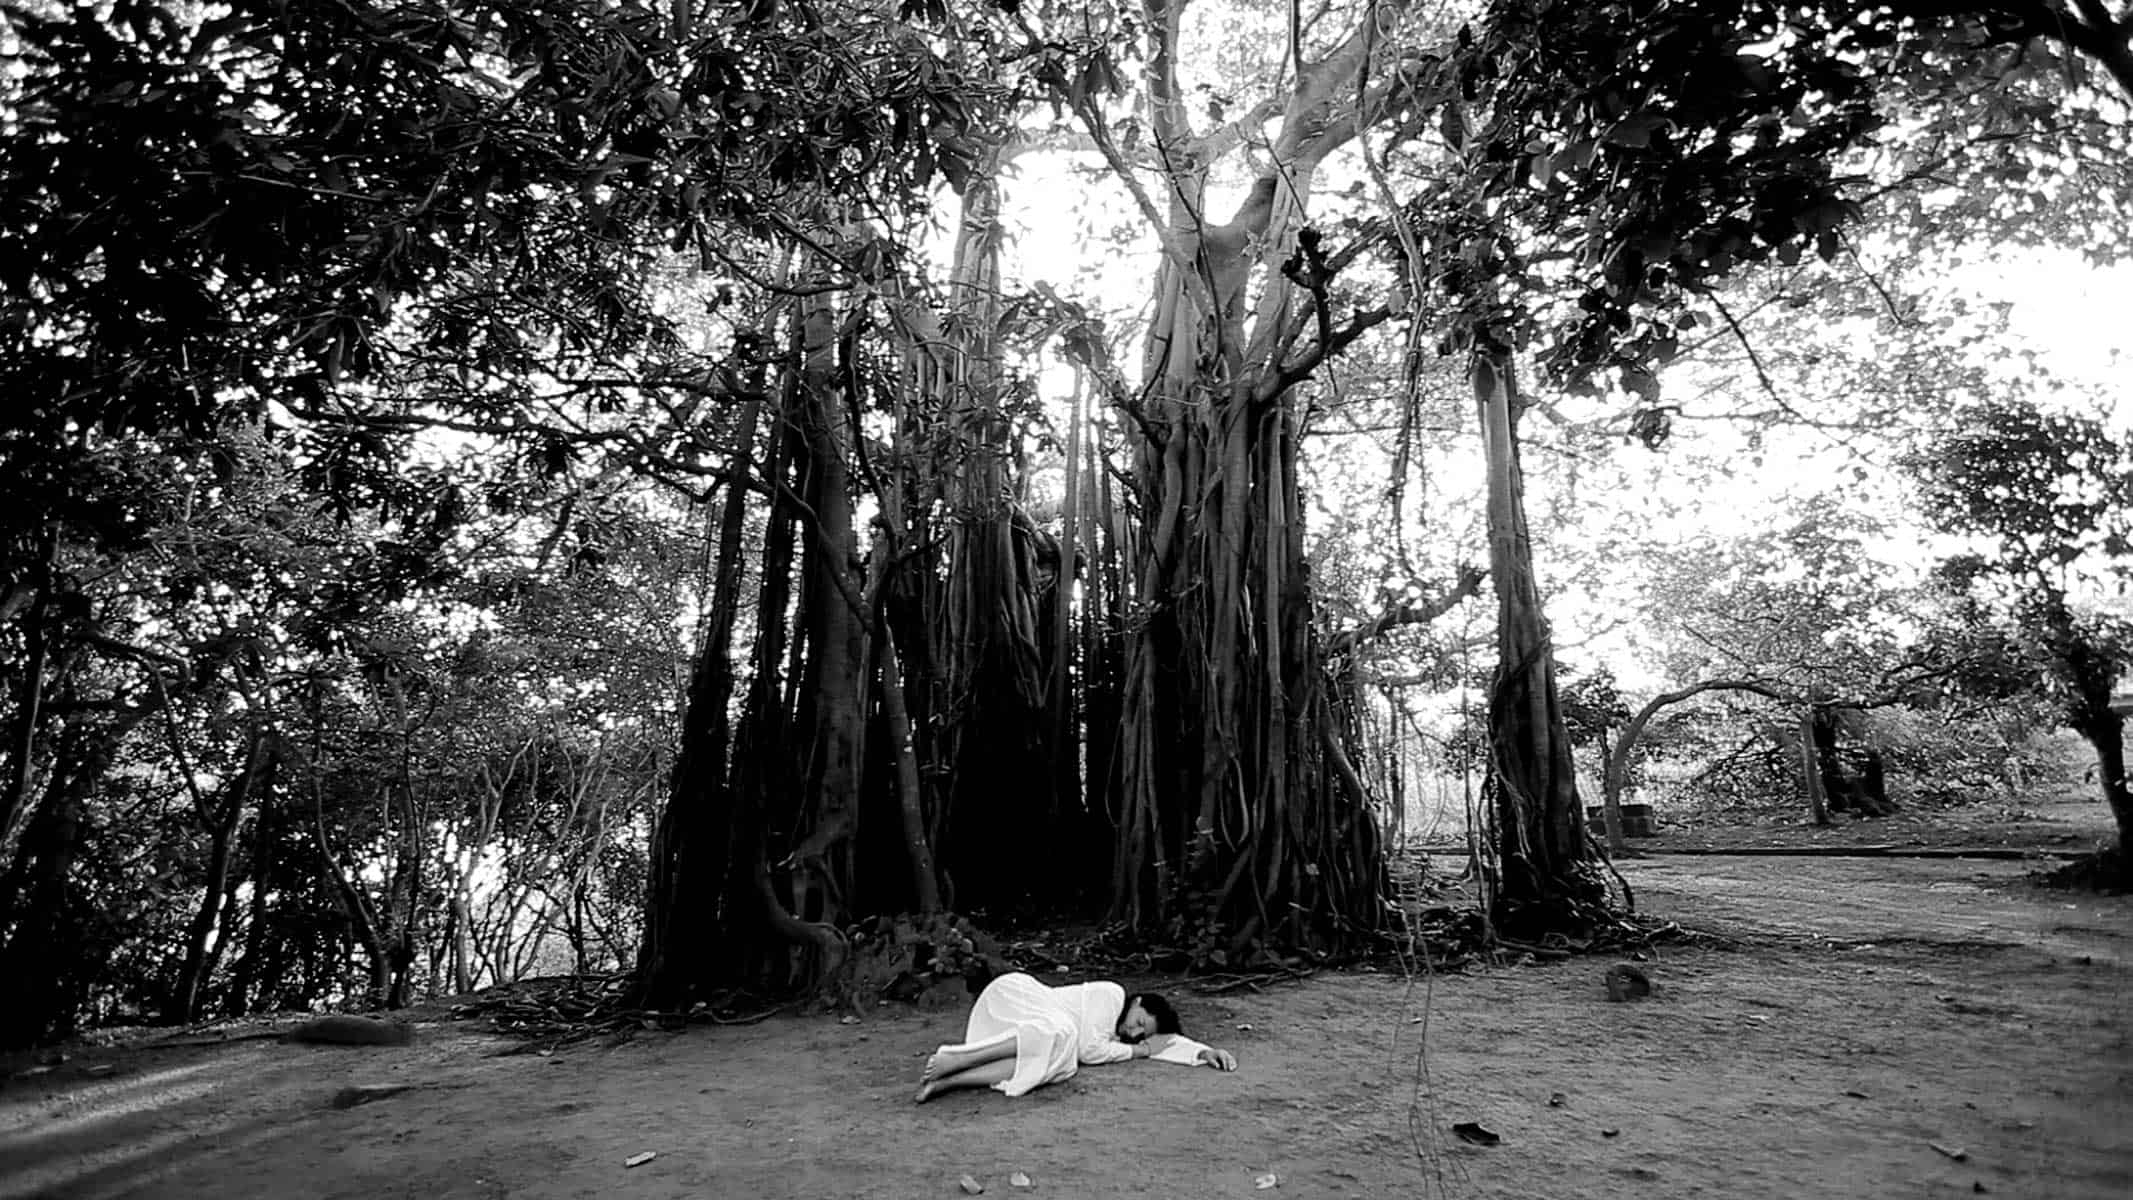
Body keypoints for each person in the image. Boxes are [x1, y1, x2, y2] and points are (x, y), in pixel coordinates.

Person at [913, 972, 1238, 1102]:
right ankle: (956, 1057)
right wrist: (1139, 1051)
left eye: (1141, 1033)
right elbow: (1090, 1050)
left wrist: (1204, 1052)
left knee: (1059, 1062)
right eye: (1140, 1021)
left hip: (1030, 1030)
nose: (1135, 1033)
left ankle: (948, 1081)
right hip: (1014, 996)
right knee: (1065, 1037)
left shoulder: (1117, 1035)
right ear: (1137, 1002)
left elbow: (1162, 1043)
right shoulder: (1112, 995)